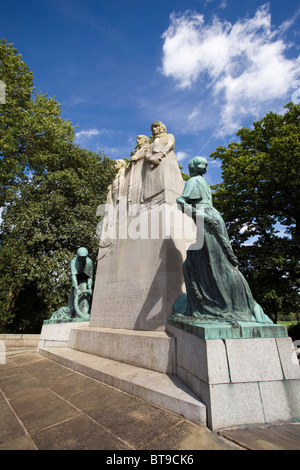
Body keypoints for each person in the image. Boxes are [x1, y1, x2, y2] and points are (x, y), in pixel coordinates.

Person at [174, 156, 272, 324]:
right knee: (217, 263)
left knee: (214, 264)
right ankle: (231, 303)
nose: (205, 167)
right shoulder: (203, 182)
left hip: (205, 218)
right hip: (214, 217)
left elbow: (181, 201)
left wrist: (194, 213)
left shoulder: (194, 180)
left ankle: (223, 305)